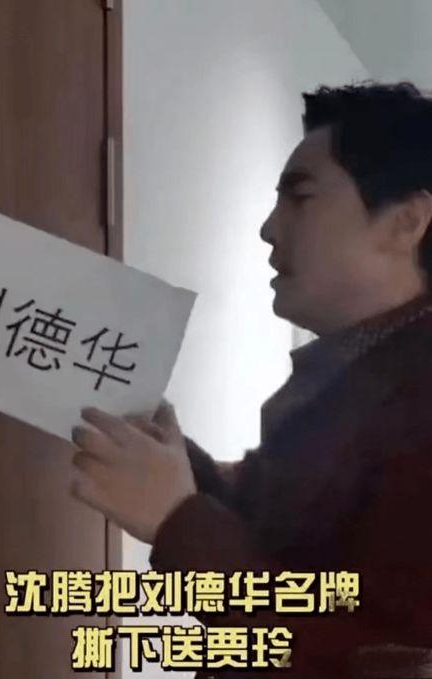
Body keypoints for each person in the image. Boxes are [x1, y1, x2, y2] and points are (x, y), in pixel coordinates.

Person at [71, 82, 432, 678]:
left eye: (301, 197)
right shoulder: (351, 375)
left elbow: (372, 657)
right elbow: (289, 538)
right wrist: (178, 462)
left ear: (406, 221)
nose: (268, 229)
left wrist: (180, 519)